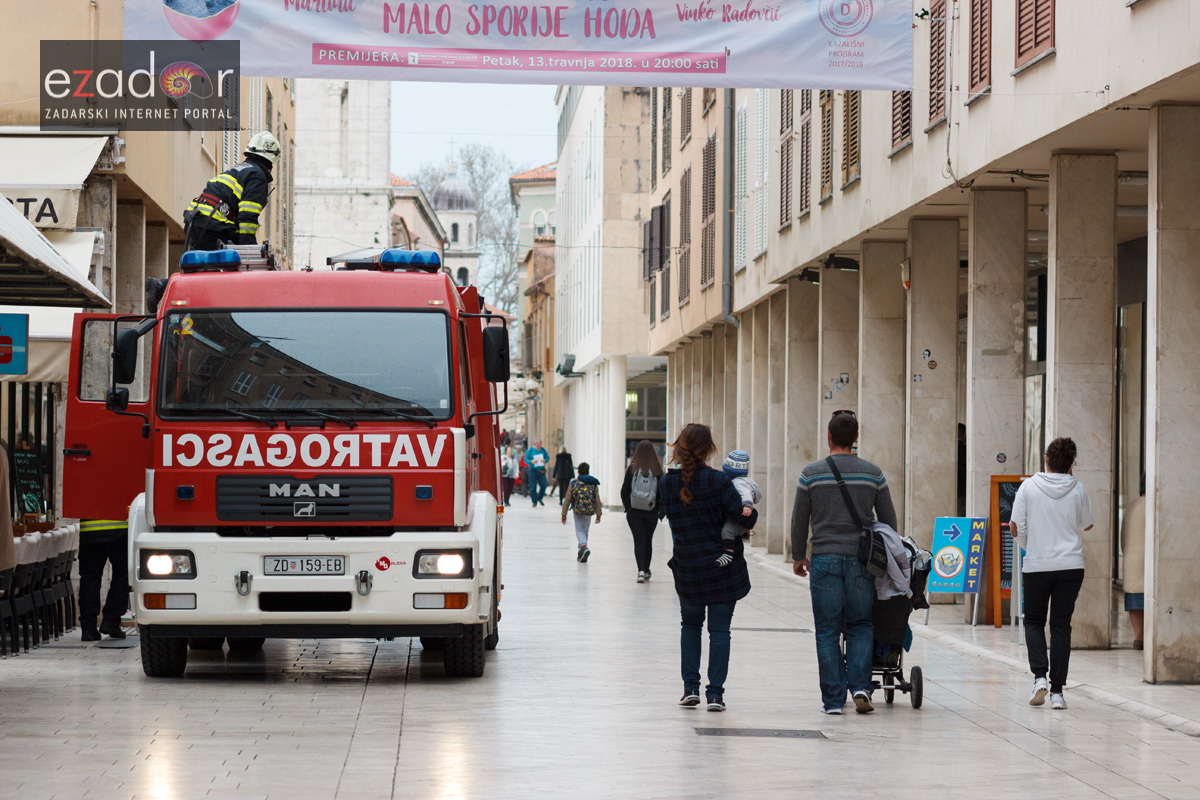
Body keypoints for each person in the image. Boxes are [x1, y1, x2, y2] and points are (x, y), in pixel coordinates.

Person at [792, 411, 897, 715]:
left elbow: (799, 520)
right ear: (856, 439)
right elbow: (889, 521)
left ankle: (833, 700)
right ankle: (861, 687)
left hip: (823, 559)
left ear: (828, 436)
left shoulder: (811, 473)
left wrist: (800, 556)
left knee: (826, 630)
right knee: (861, 624)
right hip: (861, 561)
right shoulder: (872, 473)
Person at [660, 423, 757, 713]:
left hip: (688, 569)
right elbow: (744, 517)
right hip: (721, 570)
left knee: (690, 626)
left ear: (679, 448)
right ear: (709, 450)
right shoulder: (718, 481)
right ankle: (715, 694)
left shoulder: (667, 483)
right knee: (720, 631)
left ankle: (690, 689)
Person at [1010, 437, 1094, 710]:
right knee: (1060, 626)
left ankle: (1039, 678)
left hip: (1037, 564)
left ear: (1046, 458)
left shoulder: (1028, 487)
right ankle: (1057, 692)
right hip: (1071, 565)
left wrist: (1028, 544)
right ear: (1071, 464)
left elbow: (1014, 526)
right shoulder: (1078, 488)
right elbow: (1087, 524)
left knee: (1033, 621)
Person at [183, 131, 280, 251]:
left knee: (200, 265)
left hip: (196, 220)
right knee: (219, 265)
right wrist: (249, 250)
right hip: (214, 225)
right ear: (271, 160)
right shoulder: (257, 176)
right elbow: (247, 217)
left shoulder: (238, 170)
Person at [78, 519, 131, 641]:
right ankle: (111, 621)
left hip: (89, 532)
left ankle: (88, 629)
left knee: (89, 580)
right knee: (123, 576)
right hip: (120, 531)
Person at [620, 439, 665, 583]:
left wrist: (628, 507)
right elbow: (662, 493)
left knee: (638, 541)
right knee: (648, 541)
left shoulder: (632, 468)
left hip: (634, 512)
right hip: (651, 511)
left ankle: (640, 570)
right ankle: (646, 570)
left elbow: (624, 491)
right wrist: (659, 511)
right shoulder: (657, 470)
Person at [1121, 479, 1146, 650]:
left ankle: (1139, 637)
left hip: (1133, 560)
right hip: (1150, 560)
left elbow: (1123, 536)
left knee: (1135, 601)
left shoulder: (1132, 506)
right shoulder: (1158, 506)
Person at [719, 449, 761, 546]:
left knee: (726, 531)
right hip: (740, 516)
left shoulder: (738, 483)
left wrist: (747, 505)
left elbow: (746, 494)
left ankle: (727, 551)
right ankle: (745, 531)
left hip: (739, 514)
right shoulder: (745, 481)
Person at [561, 462, 602, 562]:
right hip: (589, 510)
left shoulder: (574, 483)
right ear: (588, 471)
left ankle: (583, 546)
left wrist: (564, 514)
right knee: (585, 531)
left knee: (579, 530)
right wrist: (598, 514)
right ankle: (581, 551)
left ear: (578, 471)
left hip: (577, 510)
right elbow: (597, 500)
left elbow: (567, 499)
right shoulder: (593, 483)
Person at [526, 440, 550, 506]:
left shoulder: (543, 450)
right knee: (533, 487)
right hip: (532, 470)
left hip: (541, 470)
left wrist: (545, 460)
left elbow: (547, 458)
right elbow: (526, 459)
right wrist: (531, 461)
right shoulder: (530, 450)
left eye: (540, 443)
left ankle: (539, 497)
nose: (539, 445)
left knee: (544, 485)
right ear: (535, 444)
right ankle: (534, 501)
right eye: (538, 444)